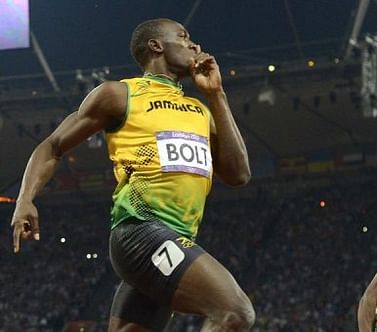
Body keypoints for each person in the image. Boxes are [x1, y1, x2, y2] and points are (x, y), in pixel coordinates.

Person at [10, 18, 255, 332]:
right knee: (235, 312)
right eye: (183, 37)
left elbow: (239, 174)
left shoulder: (200, 110)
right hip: (141, 233)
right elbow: (53, 145)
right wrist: (25, 200)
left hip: (176, 239)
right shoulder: (120, 94)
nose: (194, 45)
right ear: (156, 45)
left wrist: (217, 95)